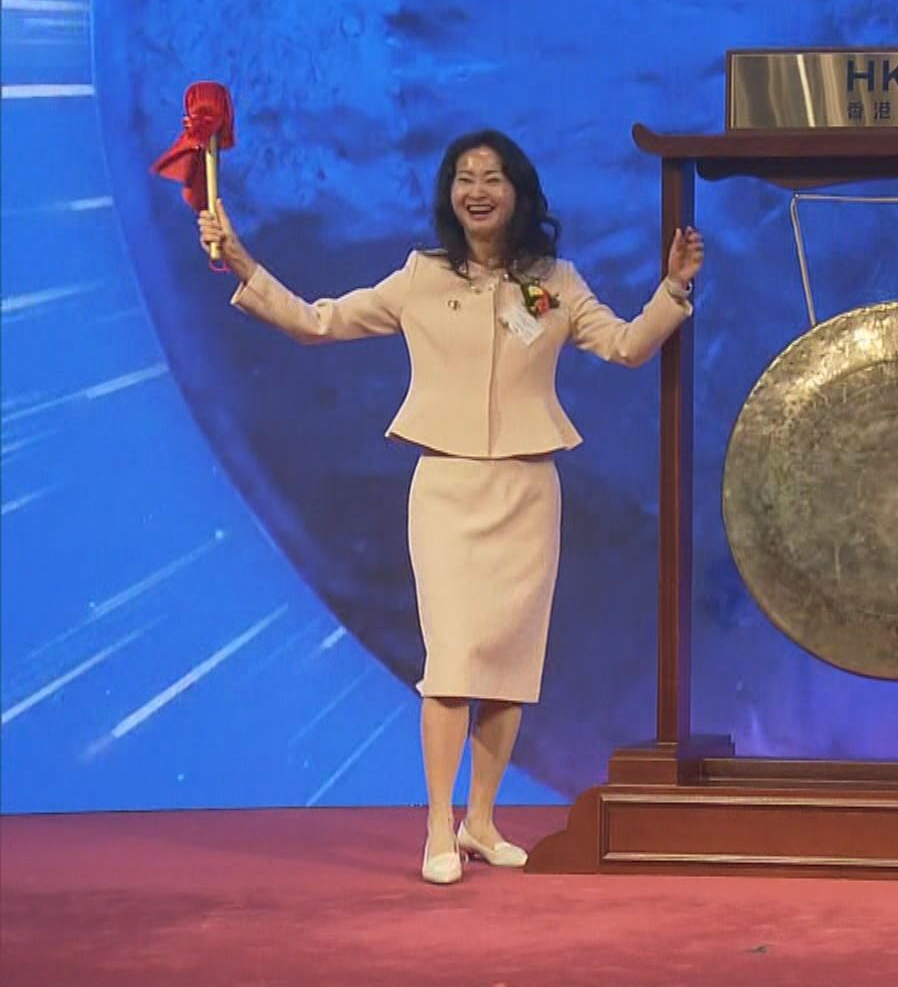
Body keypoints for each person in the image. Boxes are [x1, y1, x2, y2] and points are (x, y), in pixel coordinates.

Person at [198, 129, 703, 885]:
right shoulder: (420, 278)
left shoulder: (556, 281)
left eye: (492, 177)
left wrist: (673, 290)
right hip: (446, 491)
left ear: (518, 192)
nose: (477, 191)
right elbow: (315, 321)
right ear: (450, 195)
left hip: (528, 491)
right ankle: (438, 824)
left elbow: (627, 347)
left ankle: (482, 821)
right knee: (453, 661)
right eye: (465, 178)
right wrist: (241, 260)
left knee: (507, 664)